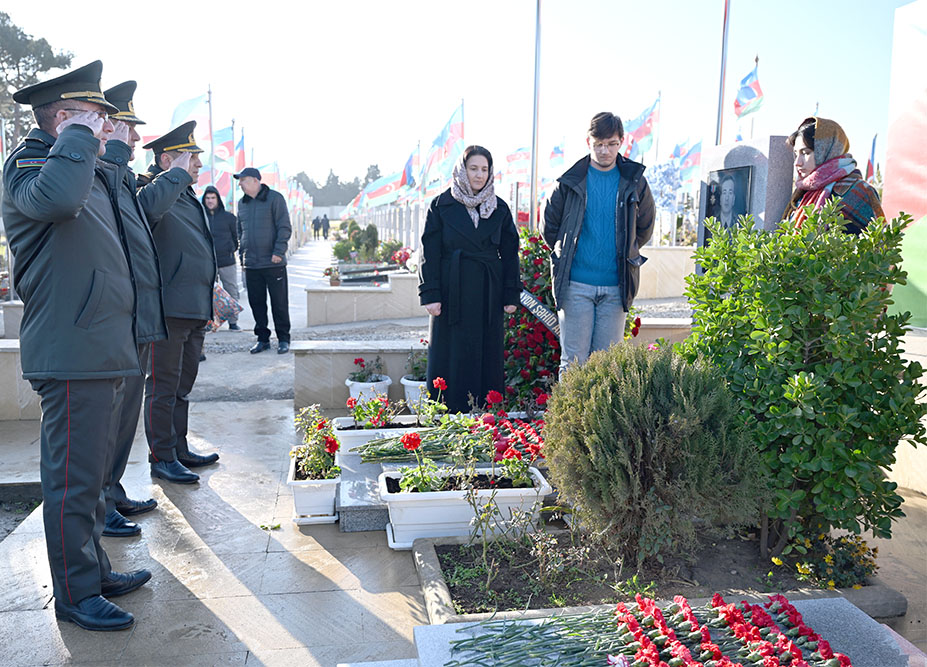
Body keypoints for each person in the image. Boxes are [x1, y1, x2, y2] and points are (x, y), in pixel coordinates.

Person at [2, 61, 151, 632]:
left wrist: (86, 139)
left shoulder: (73, 158)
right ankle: (75, 594)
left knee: (88, 477)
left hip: (97, 343)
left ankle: (93, 570)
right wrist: (77, 137)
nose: (104, 127)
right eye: (93, 116)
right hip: (71, 347)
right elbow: (60, 203)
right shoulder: (33, 161)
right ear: (63, 118)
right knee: (71, 481)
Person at [99, 80, 189, 538]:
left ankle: (112, 492)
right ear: (107, 126)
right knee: (108, 421)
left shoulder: (118, 177)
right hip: (111, 323)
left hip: (134, 319)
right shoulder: (102, 176)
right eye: (128, 128)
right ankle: (103, 500)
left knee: (124, 416)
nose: (135, 139)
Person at [540, 111, 655, 374]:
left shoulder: (634, 181)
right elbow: (549, 226)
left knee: (607, 367)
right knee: (573, 363)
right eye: (598, 144)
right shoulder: (570, 181)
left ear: (622, 142)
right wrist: (566, 253)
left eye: (612, 144)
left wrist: (627, 250)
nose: (605, 151)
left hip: (616, 287)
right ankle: (569, 417)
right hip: (576, 285)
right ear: (588, 142)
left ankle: (597, 418)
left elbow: (645, 227)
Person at [138, 121, 219, 484]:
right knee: (163, 386)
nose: (198, 165)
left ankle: (179, 448)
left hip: (193, 306)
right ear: (167, 159)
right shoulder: (151, 190)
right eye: (191, 157)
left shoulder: (186, 195)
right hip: (167, 310)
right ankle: (162, 456)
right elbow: (149, 214)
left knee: (182, 385)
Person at [418, 145, 521, 413]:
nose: (478, 175)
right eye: (473, 168)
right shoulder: (441, 205)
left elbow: (510, 253)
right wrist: (431, 294)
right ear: (462, 170)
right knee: (450, 357)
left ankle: (484, 417)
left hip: (488, 292)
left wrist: (511, 294)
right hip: (452, 292)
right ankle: (446, 417)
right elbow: (429, 250)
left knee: (486, 356)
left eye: (484, 169)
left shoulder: (499, 208)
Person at [783, 117, 884, 234]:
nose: (797, 162)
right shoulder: (803, 193)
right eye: (796, 154)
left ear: (826, 150)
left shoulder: (861, 191)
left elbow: (878, 244)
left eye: (805, 153)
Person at [235, 167, 292, 354]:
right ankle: (262, 339)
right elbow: (240, 231)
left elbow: (284, 227)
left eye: (243, 180)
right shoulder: (242, 204)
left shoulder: (275, 199)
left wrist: (278, 251)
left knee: (279, 303)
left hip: (273, 262)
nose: (240, 184)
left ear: (255, 181)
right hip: (251, 264)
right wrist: (242, 252)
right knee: (257, 304)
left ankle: (283, 338)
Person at [202, 185, 241, 330]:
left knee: (231, 290)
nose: (210, 201)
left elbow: (236, 237)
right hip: (207, 262)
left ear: (218, 199)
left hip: (227, 261)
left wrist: (230, 249)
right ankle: (209, 322)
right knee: (208, 293)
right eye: (207, 198)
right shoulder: (200, 217)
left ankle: (233, 322)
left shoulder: (229, 218)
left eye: (213, 198)